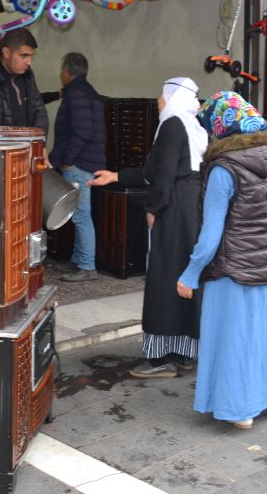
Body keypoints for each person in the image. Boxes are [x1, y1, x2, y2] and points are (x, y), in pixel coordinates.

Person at [176, 91, 267, 429]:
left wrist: (190, 273)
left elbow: (211, 233)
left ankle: (241, 409)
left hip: (235, 268)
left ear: (221, 127)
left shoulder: (224, 169)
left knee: (238, 338)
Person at [90, 77, 208, 378]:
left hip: (173, 209)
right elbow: (153, 171)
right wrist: (116, 176)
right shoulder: (192, 126)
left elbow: (164, 175)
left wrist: (153, 208)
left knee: (163, 279)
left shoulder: (171, 125)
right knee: (182, 277)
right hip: (190, 210)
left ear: (173, 97)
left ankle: (160, 359)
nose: (158, 101)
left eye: (162, 95)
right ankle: (182, 353)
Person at [47, 53, 106, 282]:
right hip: (85, 161)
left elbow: (82, 132)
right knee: (78, 213)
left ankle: (87, 266)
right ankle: (78, 260)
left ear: (67, 71)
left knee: (81, 215)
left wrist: (68, 159)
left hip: (80, 163)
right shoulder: (86, 92)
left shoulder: (77, 94)